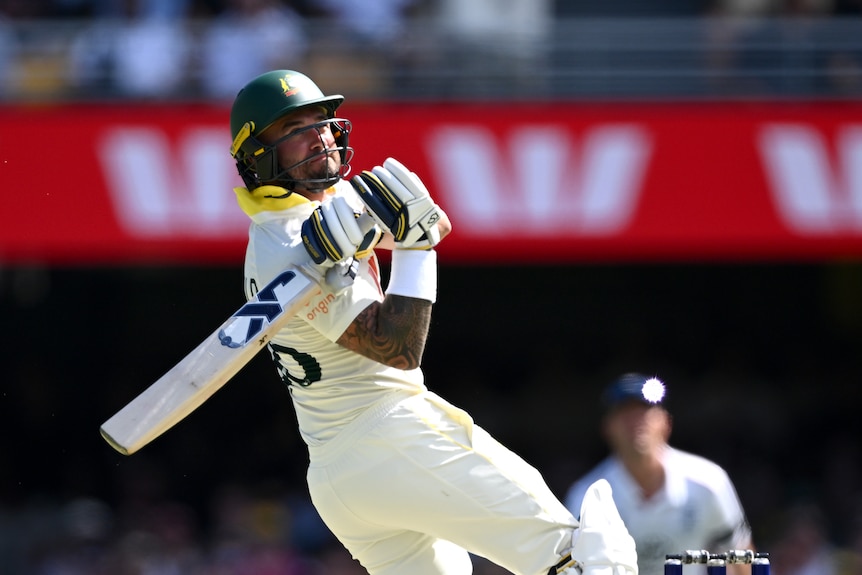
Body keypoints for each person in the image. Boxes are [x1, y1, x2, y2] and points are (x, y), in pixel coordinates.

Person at [228, 68, 638, 575]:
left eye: (321, 119)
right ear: (258, 155)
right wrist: (415, 248)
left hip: (340, 477)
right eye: (294, 128)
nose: (320, 135)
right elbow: (397, 349)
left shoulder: (308, 214)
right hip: (390, 433)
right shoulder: (289, 241)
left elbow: (435, 220)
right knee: (581, 559)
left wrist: (396, 226)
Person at [564, 373, 753, 575]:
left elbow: (739, 556)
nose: (635, 422)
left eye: (645, 411)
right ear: (607, 428)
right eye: (625, 413)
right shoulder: (584, 498)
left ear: (666, 422)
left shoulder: (709, 483)